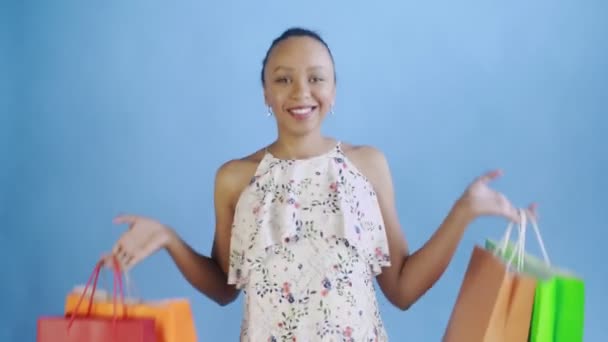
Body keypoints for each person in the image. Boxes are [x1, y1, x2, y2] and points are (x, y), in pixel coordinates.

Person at [108, 27, 537, 341]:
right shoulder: (235, 179)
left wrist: (464, 211)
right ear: (265, 94)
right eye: (283, 78)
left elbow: (402, 290)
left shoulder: (367, 166)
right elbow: (224, 287)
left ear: (334, 90)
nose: (301, 91)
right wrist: (167, 238)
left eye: (316, 77)